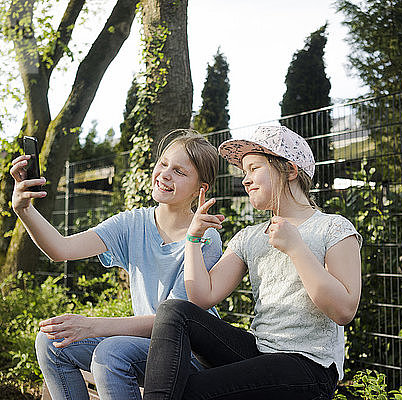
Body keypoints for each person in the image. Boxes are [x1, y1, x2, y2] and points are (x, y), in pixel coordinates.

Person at [142, 125, 363, 400]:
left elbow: (343, 310)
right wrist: (193, 237)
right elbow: (202, 297)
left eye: (254, 168)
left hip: (308, 366)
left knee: (189, 392)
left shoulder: (333, 228)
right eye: (244, 172)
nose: (245, 180)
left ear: (290, 171)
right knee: (175, 312)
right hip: (259, 352)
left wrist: (296, 249)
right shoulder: (249, 237)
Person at [9, 130, 223, 400]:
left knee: (111, 353)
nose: (165, 174)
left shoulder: (204, 237)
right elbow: (61, 249)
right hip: (142, 347)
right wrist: (24, 210)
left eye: (179, 171)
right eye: (163, 163)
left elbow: (173, 322)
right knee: (52, 342)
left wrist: (92, 326)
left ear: (200, 189)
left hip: (188, 353)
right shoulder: (132, 223)